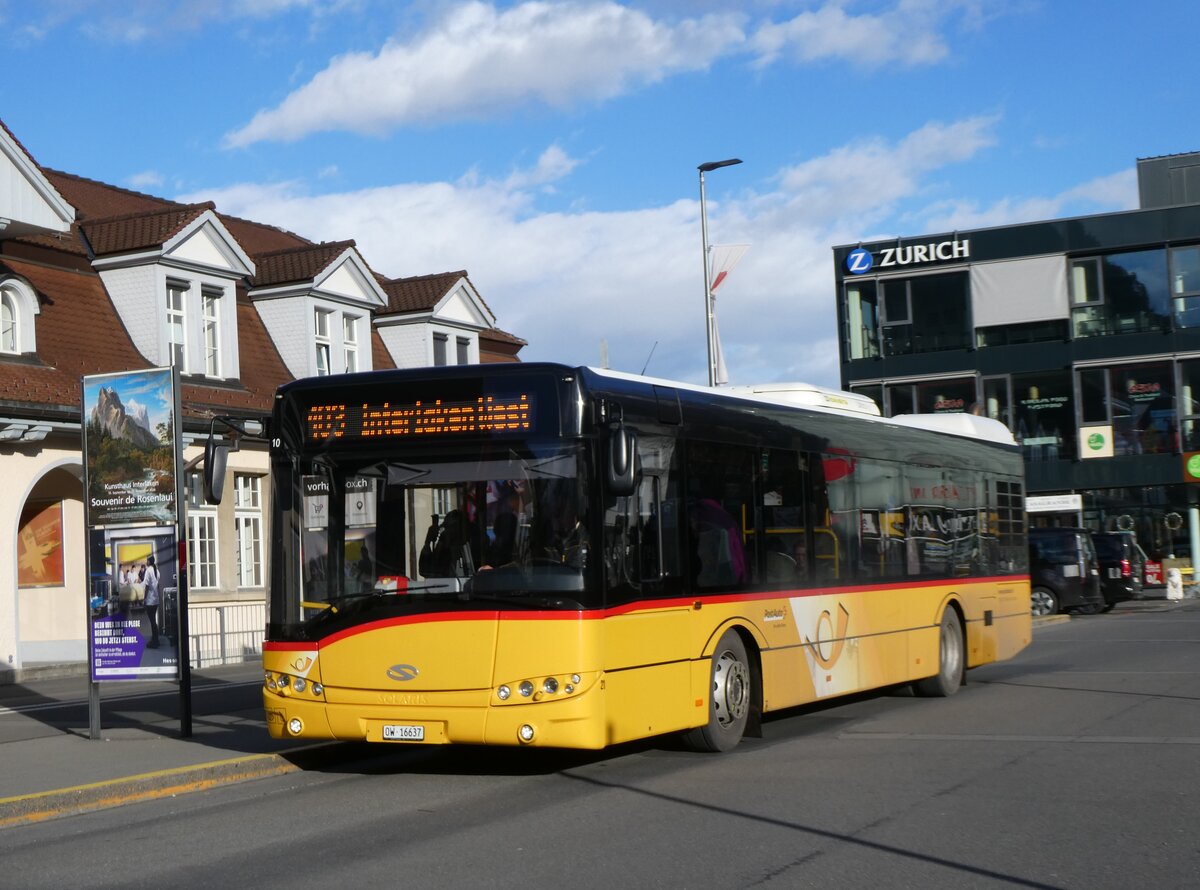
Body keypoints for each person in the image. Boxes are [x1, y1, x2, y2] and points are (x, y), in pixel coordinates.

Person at [142, 554, 161, 649]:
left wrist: (144, 599)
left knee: (152, 621)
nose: (146, 562)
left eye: (147, 560)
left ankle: (155, 641)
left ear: (149, 561)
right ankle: (156, 639)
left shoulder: (148, 570)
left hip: (150, 600)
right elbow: (158, 585)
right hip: (156, 599)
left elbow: (146, 586)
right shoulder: (157, 570)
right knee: (153, 620)